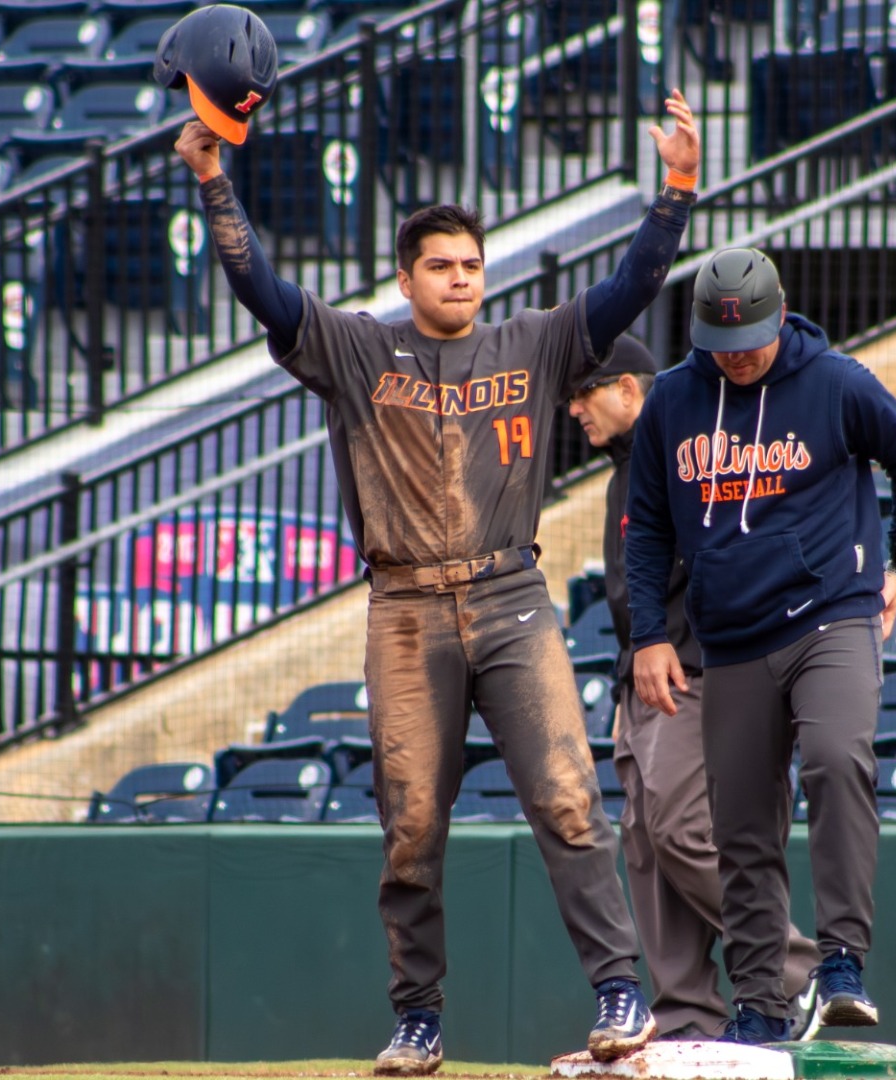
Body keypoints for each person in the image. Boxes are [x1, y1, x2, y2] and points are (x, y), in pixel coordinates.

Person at [173, 76, 703, 1075]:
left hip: (511, 598)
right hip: (408, 609)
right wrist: (214, 186)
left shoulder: (536, 342)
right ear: (408, 278)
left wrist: (673, 191)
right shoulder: (358, 350)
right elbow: (266, 294)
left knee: (566, 799)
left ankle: (620, 991)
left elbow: (632, 287)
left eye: (471, 264)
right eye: (441, 266)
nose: (461, 279)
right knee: (412, 820)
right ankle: (417, 1015)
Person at [623, 249, 896, 1044]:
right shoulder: (672, 400)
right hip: (729, 640)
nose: (738, 355)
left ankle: (840, 964)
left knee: (836, 759)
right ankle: (760, 1005)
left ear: (779, 314)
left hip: (830, 616)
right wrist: (649, 637)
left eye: (752, 341)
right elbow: (649, 524)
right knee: (742, 828)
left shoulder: (835, 381)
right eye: (722, 344)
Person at [567, 339, 822, 1043]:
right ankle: (684, 1014)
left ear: (626, 388)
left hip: (697, 671)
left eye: (584, 394)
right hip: (640, 679)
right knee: (647, 845)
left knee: (682, 831)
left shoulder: (693, 442)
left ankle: (796, 972)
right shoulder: (630, 465)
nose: (573, 409)